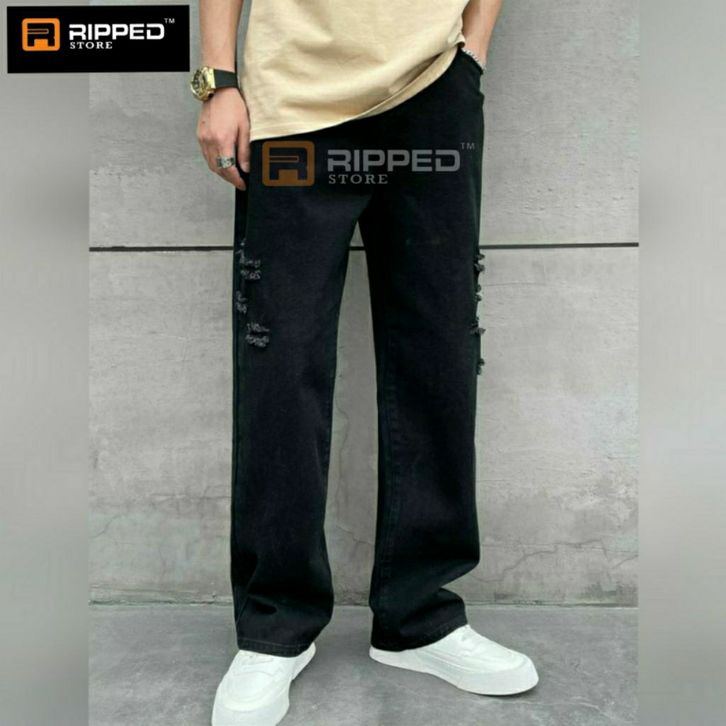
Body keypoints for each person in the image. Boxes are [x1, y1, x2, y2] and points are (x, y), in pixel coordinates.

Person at [192, 1, 539, 723]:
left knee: (439, 357)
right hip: (292, 104)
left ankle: (420, 618)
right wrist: (218, 81)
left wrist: (471, 56)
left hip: (433, 92)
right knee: (280, 367)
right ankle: (274, 627)